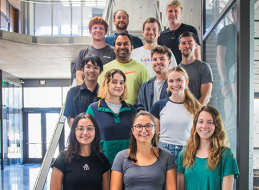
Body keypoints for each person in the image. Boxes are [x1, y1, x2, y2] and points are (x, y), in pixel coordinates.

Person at [176, 106, 239, 190]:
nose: (204, 126)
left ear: (216, 126)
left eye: (210, 122)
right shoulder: (185, 153)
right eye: (201, 122)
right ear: (195, 125)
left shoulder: (226, 154)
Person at [110, 111, 177, 190]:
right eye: (139, 126)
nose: (144, 130)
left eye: (148, 126)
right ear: (132, 130)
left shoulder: (167, 156)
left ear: (155, 129)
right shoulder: (121, 157)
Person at [87, 69, 136, 166]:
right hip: (102, 164)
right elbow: (87, 138)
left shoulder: (131, 109)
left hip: (128, 163)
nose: (119, 86)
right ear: (106, 84)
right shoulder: (93, 109)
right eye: (114, 82)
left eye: (121, 83)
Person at [150, 66, 200, 161]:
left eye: (179, 80)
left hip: (187, 151)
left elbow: (197, 134)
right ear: (167, 83)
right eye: (171, 81)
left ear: (186, 81)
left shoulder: (196, 107)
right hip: (164, 150)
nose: (175, 84)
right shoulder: (159, 105)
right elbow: (154, 135)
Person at [50, 113, 110, 190]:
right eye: (80, 128)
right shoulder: (63, 159)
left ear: (95, 131)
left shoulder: (102, 160)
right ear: (74, 132)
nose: (85, 132)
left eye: (89, 128)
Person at [98, 32, 150, 105]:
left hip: (134, 113)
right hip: (110, 112)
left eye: (126, 44)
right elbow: (101, 94)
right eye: (119, 44)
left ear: (132, 47)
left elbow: (147, 95)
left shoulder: (141, 68)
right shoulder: (105, 69)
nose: (122, 47)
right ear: (114, 48)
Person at [73, 16, 116, 85]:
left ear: (106, 32)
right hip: (89, 93)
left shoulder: (113, 52)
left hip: (107, 93)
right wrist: (87, 92)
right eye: (95, 28)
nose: (98, 30)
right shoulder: (83, 52)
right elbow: (79, 78)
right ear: (90, 31)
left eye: (101, 28)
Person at [64, 55, 103, 127]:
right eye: (88, 67)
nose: (91, 70)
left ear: (100, 71)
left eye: (95, 67)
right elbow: (70, 118)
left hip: (100, 136)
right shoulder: (72, 93)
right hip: (78, 135)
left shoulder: (104, 94)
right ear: (82, 69)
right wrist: (80, 133)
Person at [158, 0, 201, 64]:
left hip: (188, 71)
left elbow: (197, 55)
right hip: (170, 71)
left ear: (180, 14)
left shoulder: (190, 30)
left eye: (176, 11)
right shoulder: (162, 35)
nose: (173, 13)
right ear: (166, 14)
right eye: (170, 11)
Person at [178, 31, 213, 106]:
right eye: (183, 43)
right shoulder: (176, 70)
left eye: (190, 43)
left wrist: (194, 114)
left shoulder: (204, 67)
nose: (187, 46)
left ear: (196, 45)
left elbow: (205, 97)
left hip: (198, 114)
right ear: (179, 47)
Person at [137, 46, 172, 112]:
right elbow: (140, 108)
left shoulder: (174, 85)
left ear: (169, 62)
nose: (158, 62)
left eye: (162, 59)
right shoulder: (145, 86)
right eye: (155, 59)